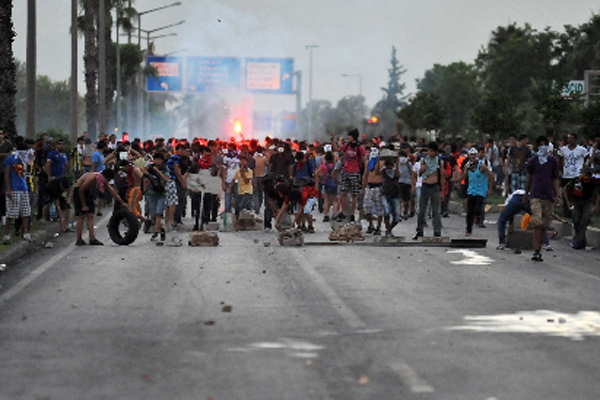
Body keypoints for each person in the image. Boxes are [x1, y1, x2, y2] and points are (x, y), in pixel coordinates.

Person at [524, 136, 560, 262]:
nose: (543, 146)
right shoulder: (533, 161)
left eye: (545, 144)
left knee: (544, 224)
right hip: (535, 195)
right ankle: (536, 251)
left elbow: (555, 179)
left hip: (548, 196)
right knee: (536, 222)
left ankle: (539, 248)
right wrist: (526, 193)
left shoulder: (552, 162)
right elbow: (529, 178)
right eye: (541, 144)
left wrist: (558, 195)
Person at [73, 169, 130, 246]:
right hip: (80, 192)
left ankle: (92, 238)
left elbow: (112, 191)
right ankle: (79, 239)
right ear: (105, 177)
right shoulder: (92, 178)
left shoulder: (103, 179)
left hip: (88, 192)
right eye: (108, 180)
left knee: (90, 215)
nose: (107, 181)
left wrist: (121, 202)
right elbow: (81, 190)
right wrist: (83, 205)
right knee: (81, 216)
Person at [414, 142, 445, 240]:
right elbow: (419, 175)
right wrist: (422, 170)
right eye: (428, 151)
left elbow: (442, 177)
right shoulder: (424, 161)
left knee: (436, 210)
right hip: (425, 186)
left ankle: (437, 231)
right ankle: (419, 230)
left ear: (435, 152)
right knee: (422, 210)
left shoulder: (439, 162)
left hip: (434, 186)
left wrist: (442, 191)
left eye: (431, 151)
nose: (429, 153)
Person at [4, 142, 32, 244]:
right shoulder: (11, 159)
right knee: (11, 213)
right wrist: (8, 189)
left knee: (26, 212)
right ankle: (7, 235)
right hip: (14, 188)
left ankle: (26, 233)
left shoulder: (25, 160)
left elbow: (30, 164)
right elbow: (7, 175)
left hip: (23, 188)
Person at [461, 147, 494, 236]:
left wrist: (490, 188)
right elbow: (464, 177)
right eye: (471, 155)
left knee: (478, 208)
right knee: (469, 212)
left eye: (474, 155)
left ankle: (478, 217)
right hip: (471, 190)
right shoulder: (467, 166)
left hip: (481, 191)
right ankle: (468, 229)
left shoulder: (482, 165)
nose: (473, 157)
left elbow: (491, 176)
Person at [335, 129, 366, 222]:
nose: (347, 137)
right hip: (346, 171)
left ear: (353, 137)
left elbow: (364, 160)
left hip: (355, 171)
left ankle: (352, 213)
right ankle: (343, 212)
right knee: (343, 192)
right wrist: (333, 141)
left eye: (349, 136)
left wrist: (364, 174)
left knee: (354, 194)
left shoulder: (360, 147)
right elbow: (337, 149)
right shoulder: (346, 146)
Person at [563, 167, 598, 249]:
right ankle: (581, 239)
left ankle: (578, 240)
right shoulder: (576, 180)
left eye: (589, 176)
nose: (587, 178)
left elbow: (597, 194)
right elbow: (565, 189)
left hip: (587, 201)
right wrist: (568, 202)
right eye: (586, 175)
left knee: (585, 219)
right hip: (576, 200)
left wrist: (594, 206)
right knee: (576, 219)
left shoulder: (593, 182)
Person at [559, 132, 589, 217]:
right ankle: (567, 212)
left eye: (571, 138)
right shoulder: (563, 149)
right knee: (566, 194)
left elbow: (588, 158)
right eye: (568, 138)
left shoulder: (581, 149)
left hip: (576, 174)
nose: (569, 140)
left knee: (577, 194)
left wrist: (584, 168)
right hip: (566, 174)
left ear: (575, 139)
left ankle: (578, 212)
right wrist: (560, 171)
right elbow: (560, 160)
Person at [362, 147, 383, 235]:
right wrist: (364, 187)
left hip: (379, 186)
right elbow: (365, 175)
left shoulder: (381, 163)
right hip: (369, 186)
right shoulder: (368, 163)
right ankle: (371, 225)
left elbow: (380, 173)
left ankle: (378, 226)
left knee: (379, 208)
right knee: (367, 207)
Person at [316, 151, 339, 222]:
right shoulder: (335, 165)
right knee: (335, 201)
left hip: (326, 184)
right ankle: (335, 214)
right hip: (335, 184)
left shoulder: (323, 166)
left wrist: (319, 181)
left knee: (326, 201)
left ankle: (326, 215)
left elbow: (317, 173)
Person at [380, 159, 401, 237]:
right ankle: (388, 230)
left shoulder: (395, 172)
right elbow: (376, 172)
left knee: (397, 217)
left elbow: (398, 174)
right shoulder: (384, 171)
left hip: (395, 195)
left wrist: (397, 161)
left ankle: (389, 230)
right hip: (385, 194)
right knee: (386, 212)